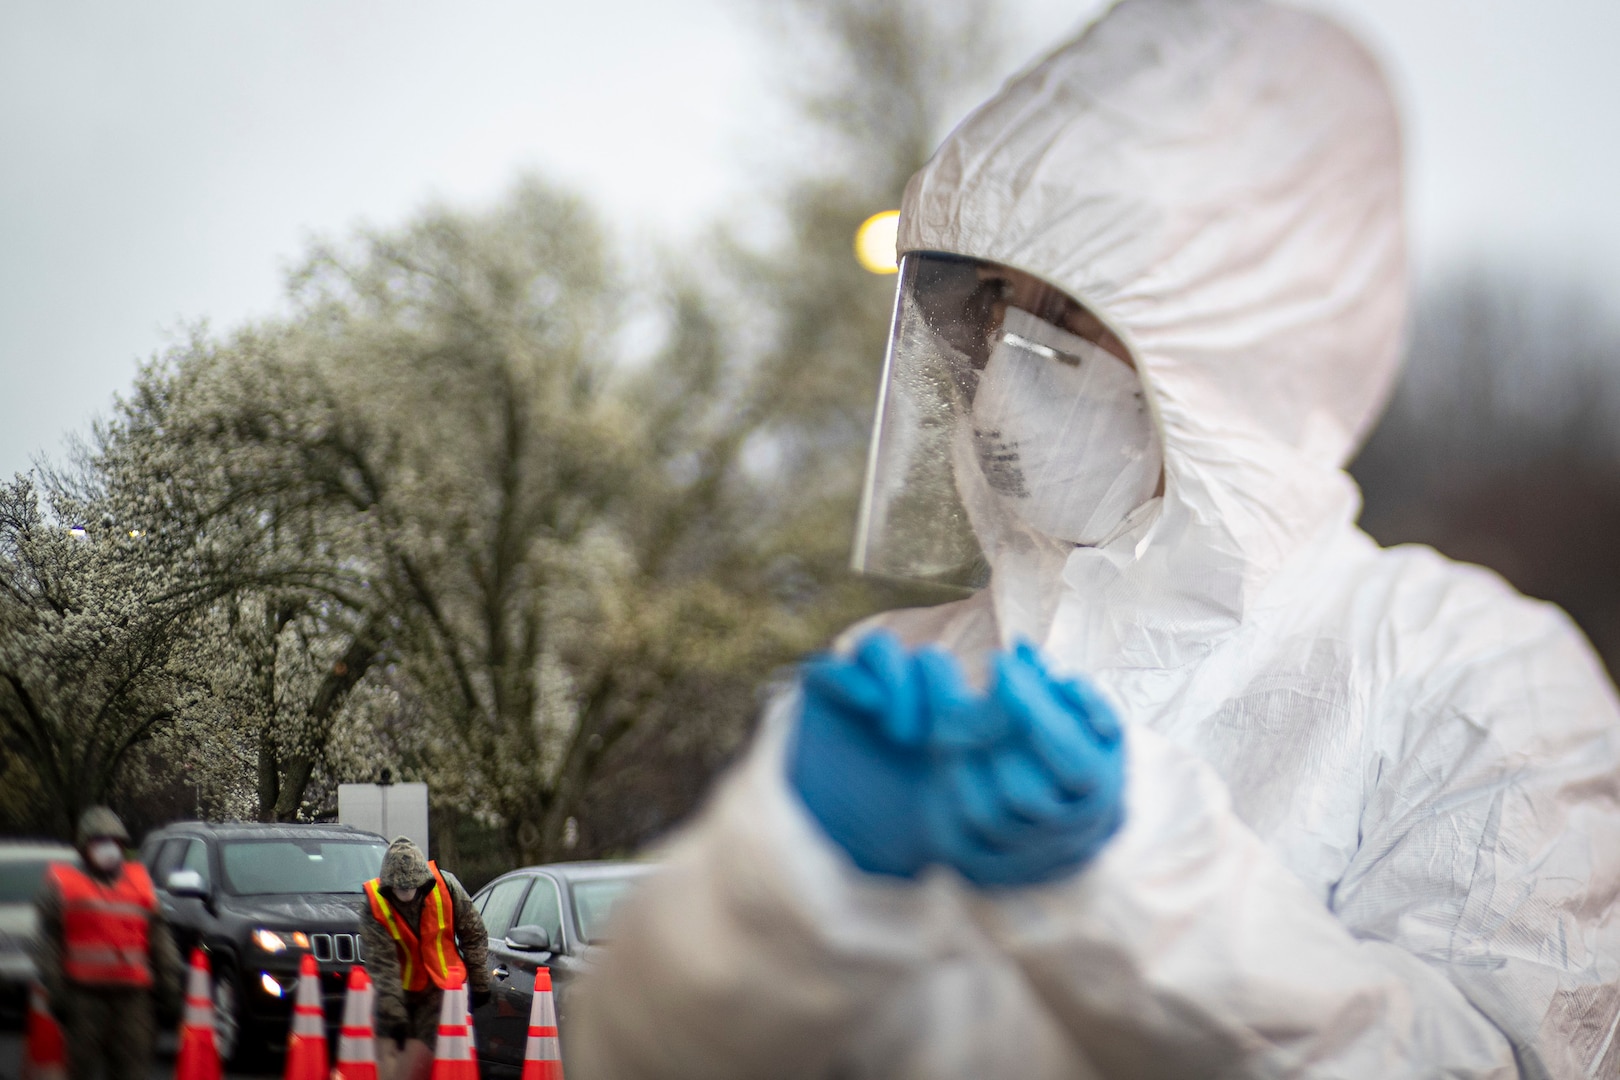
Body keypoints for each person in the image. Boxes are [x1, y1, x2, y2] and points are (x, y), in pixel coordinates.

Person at [568, 0, 1620, 1077]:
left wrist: (1141, 877)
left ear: (1247, 347)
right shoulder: (903, 676)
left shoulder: (1476, 677)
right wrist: (787, 886)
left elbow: (1512, 1059)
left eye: (1066, 315)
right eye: (990, 306)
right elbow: (631, 1053)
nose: (1004, 372)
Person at [32, 807, 181, 1080]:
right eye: (99, 842)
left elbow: (160, 939)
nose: (108, 849)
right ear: (84, 848)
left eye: (114, 842)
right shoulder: (64, 884)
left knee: (132, 1070)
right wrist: (56, 991)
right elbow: (49, 944)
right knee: (82, 1070)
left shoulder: (139, 883)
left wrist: (170, 986)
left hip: (133, 1000)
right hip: (85, 1000)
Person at [360, 837, 490, 1059]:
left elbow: (474, 933)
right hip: (401, 991)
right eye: (400, 889)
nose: (406, 894)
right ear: (389, 886)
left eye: (411, 888)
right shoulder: (375, 903)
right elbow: (382, 964)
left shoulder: (446, 887)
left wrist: (479, 983)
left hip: (444, 991)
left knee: (442, 1059)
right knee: (398, 1059)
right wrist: (394, 1016)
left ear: (422, 882)